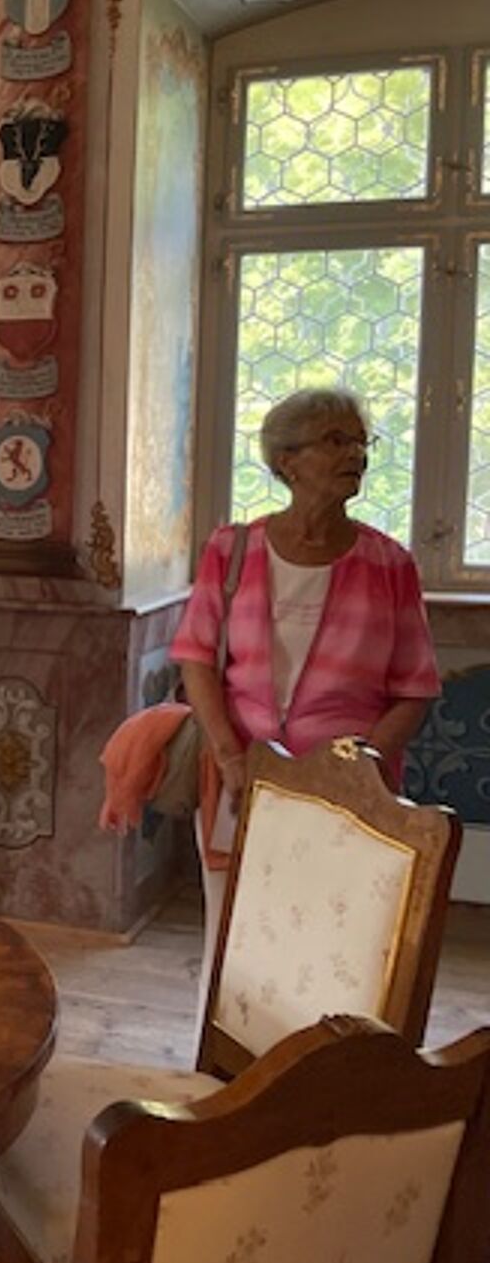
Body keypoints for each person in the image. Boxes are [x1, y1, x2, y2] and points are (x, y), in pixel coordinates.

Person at [172, 386, 438, 981]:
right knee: (236, 931)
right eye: (335, 441)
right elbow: (196, 659)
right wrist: (230, 756)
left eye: (361, 442)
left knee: (334, 938)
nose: (356, 455)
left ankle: (323, 1041)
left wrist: (361, 769)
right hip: (243, 774)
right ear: (286, 461)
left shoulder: (390, 564)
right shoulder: (232, 549)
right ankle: (223, 1040)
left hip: (349, 787)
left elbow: (415, 687)